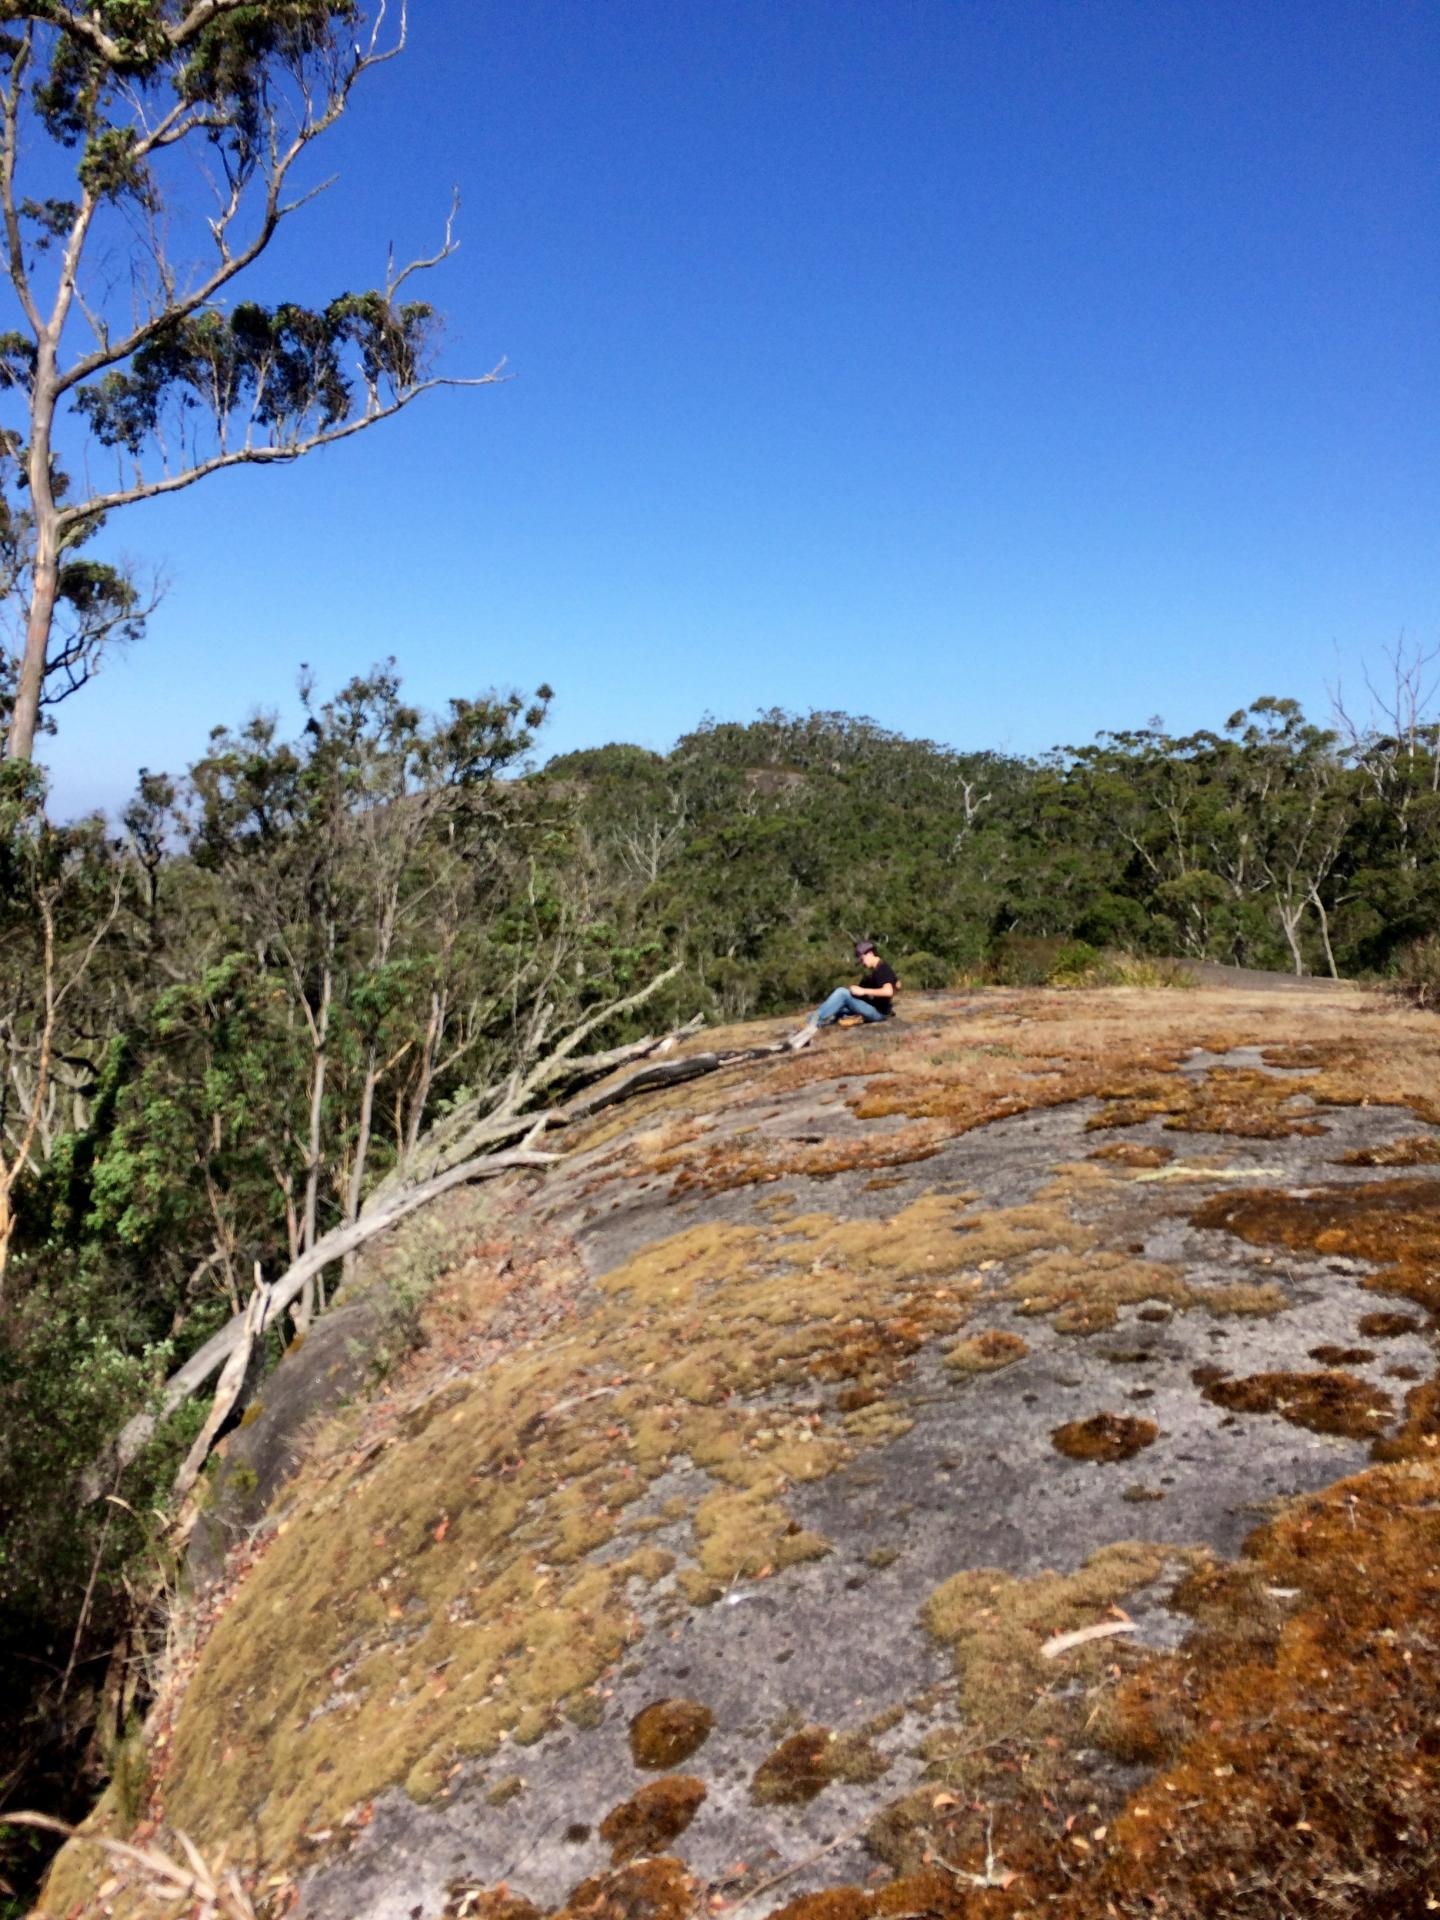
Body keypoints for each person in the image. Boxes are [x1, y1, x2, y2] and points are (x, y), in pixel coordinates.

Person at [788, 940, 898, 1049]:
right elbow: (897, 984)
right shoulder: (876, 972)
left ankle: (812, 1023)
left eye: (862, 959)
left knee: (841, 993)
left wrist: (864, 991)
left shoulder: (882, 969)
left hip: (878, 1013)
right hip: (875, 1008)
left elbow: (888, 991)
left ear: (870, 953)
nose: (862, 963)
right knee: (838, 1007)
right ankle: (814, 1025)